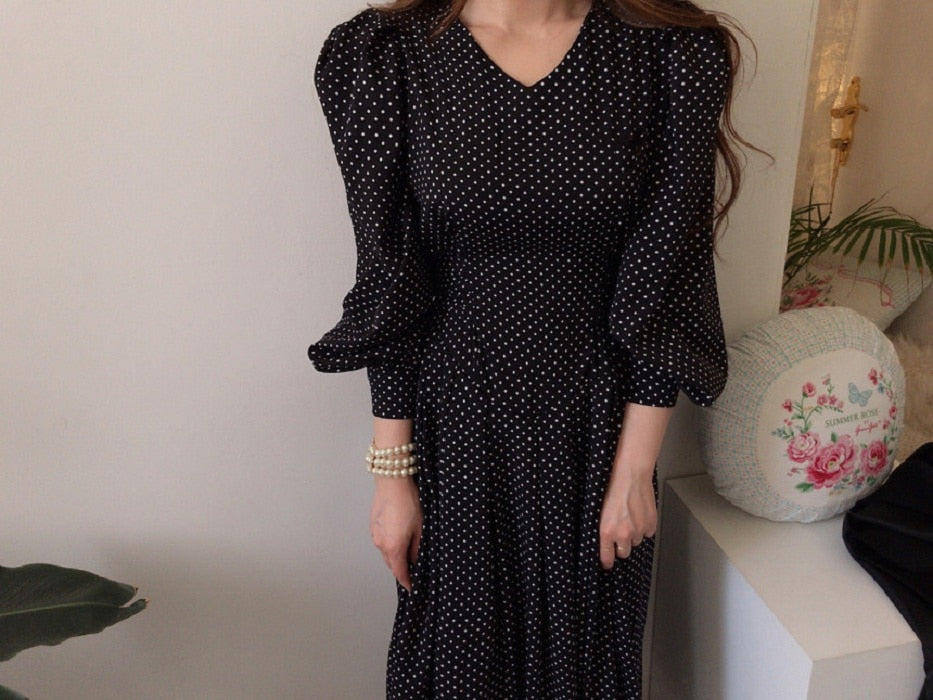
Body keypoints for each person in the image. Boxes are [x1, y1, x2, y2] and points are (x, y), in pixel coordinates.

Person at [308, 0, 753, 696]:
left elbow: (665, 281)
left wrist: (635, 470)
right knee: (459, 667)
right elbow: (391, 283)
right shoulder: (384, 55)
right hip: (456, 428)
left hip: (600, 427)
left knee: (586, 664)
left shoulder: (670, 50)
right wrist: (392, 477)